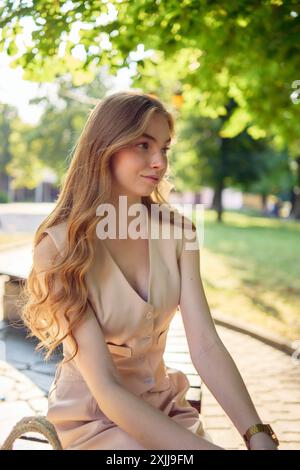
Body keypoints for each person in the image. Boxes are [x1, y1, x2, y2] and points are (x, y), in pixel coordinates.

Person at [21, 91, 279, 450]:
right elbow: (107, 389)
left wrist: (257, 435)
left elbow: (205, 344)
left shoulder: (179, 233)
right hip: (95, 418)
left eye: (164, 148)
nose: (159, 161)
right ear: (105, 148)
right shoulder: (61, 249)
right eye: (143, 145)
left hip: (165, 408)